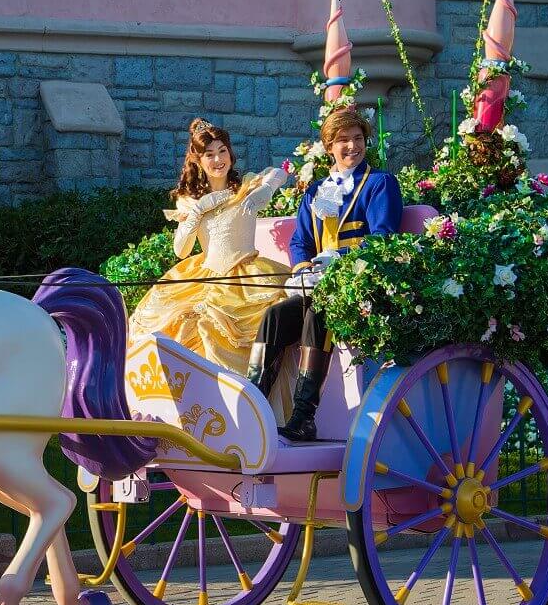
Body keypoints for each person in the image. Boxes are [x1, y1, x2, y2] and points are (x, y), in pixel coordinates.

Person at [248, 106, 402, 443]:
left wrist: (339, 257)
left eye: (358, 139)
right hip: (317, 284)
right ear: (329, 146)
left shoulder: (379, 184)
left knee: (318, 313)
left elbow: (383, 240)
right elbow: (301, 240)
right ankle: (252, 412)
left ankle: (304, 417)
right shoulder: (320, 191)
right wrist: (303, 269)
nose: (352, 146)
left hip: (357, 287)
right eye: (343, 140)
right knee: (274, 316)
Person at [128, 118, 290, 375]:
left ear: (230, 153)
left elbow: (281, 171)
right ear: (198, 161)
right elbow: (180, 251)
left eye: (222, 151)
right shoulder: (190, 201)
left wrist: (266, 189)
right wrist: (198, 211)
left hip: (247, 276)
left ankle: (250, 397)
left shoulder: (246, 186)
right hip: (205, 277)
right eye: (209, 154)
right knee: (193, 323)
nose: (218, 160)